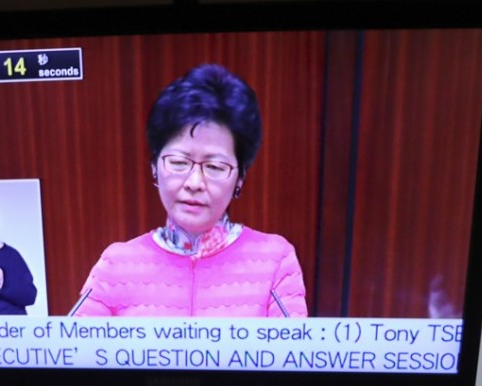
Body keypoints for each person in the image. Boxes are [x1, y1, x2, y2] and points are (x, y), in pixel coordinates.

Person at [73, 63, 307, 318]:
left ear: (240, 177)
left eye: (215, 166)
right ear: (154, 167)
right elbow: (71, 354)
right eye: (179, 163)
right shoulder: (116, 265)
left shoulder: (275, 261)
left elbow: (293, 356)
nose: (194, 182)